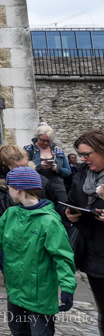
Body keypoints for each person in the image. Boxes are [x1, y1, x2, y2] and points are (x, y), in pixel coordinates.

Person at [0, 167, 77, 336]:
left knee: (40, 333)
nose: (8, 192)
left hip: (39, 295)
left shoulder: (49, 222)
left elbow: (63, 257)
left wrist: (67, 287)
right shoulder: (11, 214)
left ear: (18, 189)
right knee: (18, 330)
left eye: (9, 188)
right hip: (15, 289)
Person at [66, 129, 104, 336]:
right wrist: (69, 212)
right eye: (81, 154)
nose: (83, 159)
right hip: (92, 252)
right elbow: (71, 200)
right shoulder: (82, 174)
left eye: (87, 154)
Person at [25, 124, 73, 208]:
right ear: (37, 137)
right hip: (37, 188)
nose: (46, 143)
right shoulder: (29, 149)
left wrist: (56, 168)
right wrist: (39, 167)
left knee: (64, 213)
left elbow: (68, 172)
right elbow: (23, 169)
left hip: (58, 188)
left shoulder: (58, 150)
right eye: (43, 140)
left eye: (48, 141)